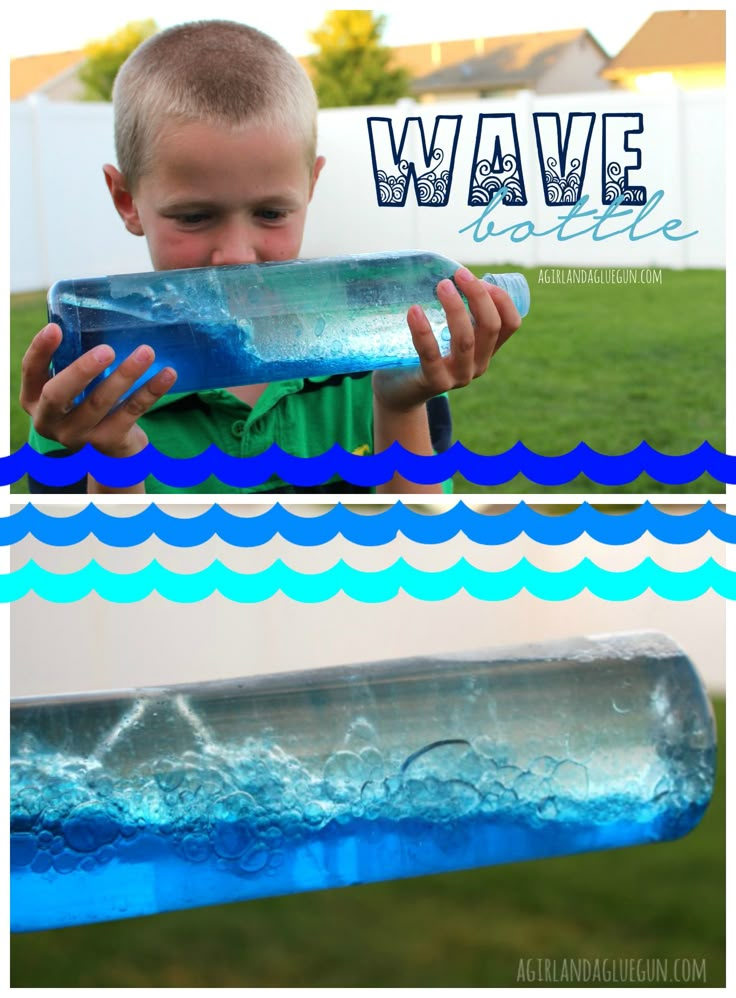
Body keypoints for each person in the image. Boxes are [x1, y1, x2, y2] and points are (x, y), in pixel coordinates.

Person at [20, 20, 521, 495]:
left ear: (310, 187)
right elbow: (92, 580)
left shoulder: (375, 372)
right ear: (127, 200)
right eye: (194, 216)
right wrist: (115, 457)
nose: (237, 257)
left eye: (271, 212)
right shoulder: (83, 399)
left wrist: (396, 404)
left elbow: (424, 559)